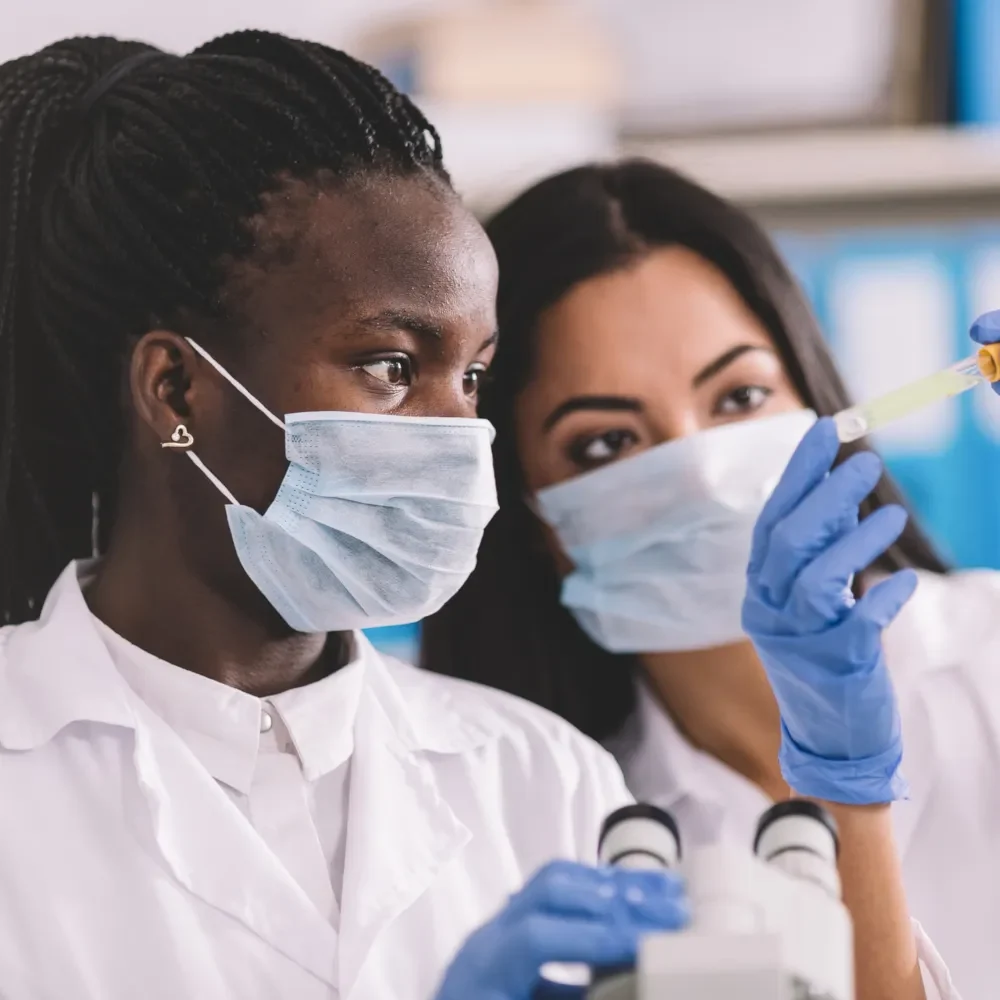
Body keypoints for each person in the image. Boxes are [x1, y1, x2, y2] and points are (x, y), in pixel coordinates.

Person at [0, 38, 694, 1000]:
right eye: (391, 367)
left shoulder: (546, 782)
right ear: (178, 391)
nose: (461, 432)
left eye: (474, 376)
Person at [421, 160, 987, 1000]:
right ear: (532, 514)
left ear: (817, 398)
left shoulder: (985, 660)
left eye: (739, 396)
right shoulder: (560, 818)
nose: (701, 476)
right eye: (606, 443)